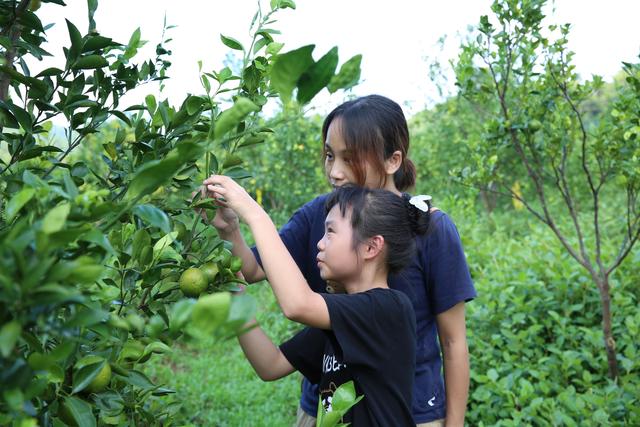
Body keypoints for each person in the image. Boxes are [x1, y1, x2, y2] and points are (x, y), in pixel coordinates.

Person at [203, 94, 476, 426]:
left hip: (411, 412)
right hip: (328, 409)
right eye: (330, 156)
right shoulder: (323, 216)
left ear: (393, 160)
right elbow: (253, 271)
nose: (335, 172)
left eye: (350, 158)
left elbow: (453, 340)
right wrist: (231, 231)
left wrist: (254, 214)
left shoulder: (429, 229)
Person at [205, 181, 427, 425]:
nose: (320, 243)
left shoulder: (388, 309)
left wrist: (256, 215)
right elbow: (270, 365)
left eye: (330, 232)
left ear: (371, 247)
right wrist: (235, 284)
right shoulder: (340, 319)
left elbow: (297, 304)